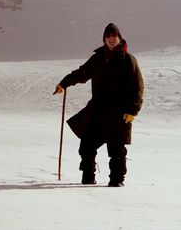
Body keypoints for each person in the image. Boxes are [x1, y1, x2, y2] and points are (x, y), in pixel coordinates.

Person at [53, 23, 144, 187]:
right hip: (98, 110)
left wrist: (133, 110)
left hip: (119, 112)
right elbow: (82, 73)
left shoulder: (128, 60)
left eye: (114, 36)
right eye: (108, 36)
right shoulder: (98, 57)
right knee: (87, 144)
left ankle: (116, 181)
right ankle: (88, 178)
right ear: (104, 39)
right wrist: (64, 83)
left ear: (119, 38)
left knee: (116, 149)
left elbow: (137, 87)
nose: (111, 39)